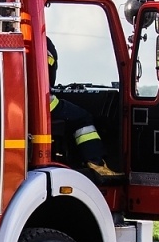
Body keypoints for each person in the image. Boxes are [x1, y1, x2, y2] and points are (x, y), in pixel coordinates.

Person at [46, 37, 120, 180]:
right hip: (43, 104)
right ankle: (96, 163)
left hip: (17, 107)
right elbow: (49, 75)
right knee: (81, 118)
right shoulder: (42, 43)